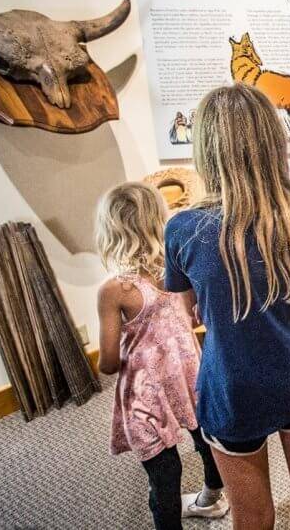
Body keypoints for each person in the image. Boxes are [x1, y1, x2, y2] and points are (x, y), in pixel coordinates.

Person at [164, 84, 290, 530]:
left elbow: (189, 312)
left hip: (231, 389)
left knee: (253, 517)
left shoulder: (183, 229)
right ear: (272, 142)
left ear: (206, 150)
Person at [95, 182, 229, 530]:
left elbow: (108, 363)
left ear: (110, 229)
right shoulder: (179, 269)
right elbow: (196, 313)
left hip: (147, 395)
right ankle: (213, 496)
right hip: (191, 376)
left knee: (164, 476)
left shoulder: (115, 290)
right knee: (206, 439)